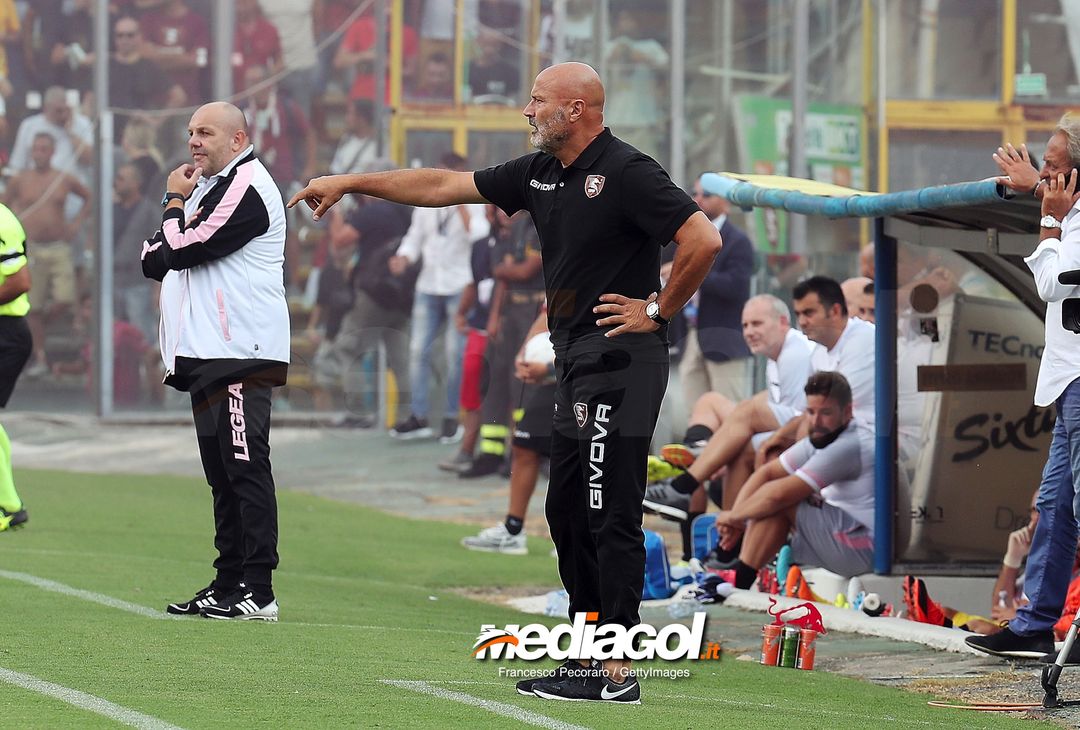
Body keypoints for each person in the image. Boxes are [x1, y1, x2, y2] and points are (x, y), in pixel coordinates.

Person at [289, 61, 721, 703]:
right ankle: (585, 660)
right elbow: (441, 184)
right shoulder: (539, 172)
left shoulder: (628, 171)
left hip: (622, 364)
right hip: (573, 358)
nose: (525, 110)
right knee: (568, 513)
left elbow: (702, 239)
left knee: (610, 514)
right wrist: (353, 181)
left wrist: (656, 309)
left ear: (576, 109)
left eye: (537, 100)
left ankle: (619, 674)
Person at [143, 101, 289, 621]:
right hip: (207, 352)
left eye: (205, 132)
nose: (194, 142)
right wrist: (178, 213)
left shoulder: (247, 186)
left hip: (241, 352)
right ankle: (228, 582)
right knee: (221, 471)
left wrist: (172, 202)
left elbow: (180, 248)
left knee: (246, 465)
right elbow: (150, 258)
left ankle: (259, 588)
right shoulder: (211, 187)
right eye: (190, 133)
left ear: (237, 138)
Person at [964, 115, 1080, 661]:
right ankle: (1035, 624)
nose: (1044, 176)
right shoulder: (1066, 205)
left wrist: (1048, 221)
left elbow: (1052, 282)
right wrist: (1038, 187)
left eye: (1054, 169)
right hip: (1065, 384)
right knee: (1054, 508)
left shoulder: (1065, 220)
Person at [643, 294, 815, 554]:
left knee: (743, 432)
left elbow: (798, 421)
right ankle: (698, 454)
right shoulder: (775, 358)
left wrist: (727, 448)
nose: (749, 332)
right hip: (783, 429)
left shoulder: (796, 353)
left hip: (802, 438)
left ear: (782, 322)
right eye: (745, 326)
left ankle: (689, 484)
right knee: (709, 401)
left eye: (757, 324)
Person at [715, 371, 876, 587]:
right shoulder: (825, 432)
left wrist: (733, 517)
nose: (816, 421)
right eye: (810, 412)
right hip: (847, 535)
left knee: (780, 502)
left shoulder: (849, 445)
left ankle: (738, 578)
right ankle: (739, 578)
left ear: (847, 412)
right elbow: (766, 473)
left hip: (866, 551)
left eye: (825, 412)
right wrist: (736, 518)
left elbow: (778, 496)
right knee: (767, 499)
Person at [388, 153, 489, 442]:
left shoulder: (473, 200)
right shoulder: (427, 203)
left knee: (454, 354)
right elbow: (415, 236)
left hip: (460, 283)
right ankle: (419, 416)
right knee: (418, 350)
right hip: (429, 283)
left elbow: (479, 235)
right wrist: (404, 258)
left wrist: (460, 204)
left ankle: (450, 417)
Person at [461, 309, 556, 553]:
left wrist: (550, 366)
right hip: (557, 377)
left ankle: (580, 536)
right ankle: (513, 530)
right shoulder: (563, 276)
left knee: (576, 455)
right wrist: (524, 352)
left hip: (589, 375)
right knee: (525, 445)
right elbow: (549, 311)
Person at [460, 210, 544, 478]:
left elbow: (529, 268)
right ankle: (491, 453)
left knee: (523, 382)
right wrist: (494, 317)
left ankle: (520, 450)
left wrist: (514, 267)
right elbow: (502, 276)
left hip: (536, 312)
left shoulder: (542, 225)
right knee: (496, 381)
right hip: (509, 313)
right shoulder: (508, 234)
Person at [4, 131, 91, 377]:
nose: (39, 153)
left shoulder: (62, 179)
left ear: (52, 152)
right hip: (32, 248)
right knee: (34, 305)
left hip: (59, 247)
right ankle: (40, 355)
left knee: (65, 298)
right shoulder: (21, 179)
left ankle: (38, 328)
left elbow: (88, 197)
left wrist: (76, 224)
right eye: (36, 148)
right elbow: (4, 205)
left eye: (44, 148)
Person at [674, 174, 755, 408]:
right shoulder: (685, 237)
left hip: (724, 340)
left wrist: (691, 273)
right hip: (691, 336)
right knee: (696, 416)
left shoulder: (738, 241)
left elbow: (736, 286)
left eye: (706, 194)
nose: (698, 199)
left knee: (729, 413)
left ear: (726, 201)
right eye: (695, 193)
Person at [0, 203, 32, 531]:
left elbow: (20, 281)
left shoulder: (2, 221)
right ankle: (9, 504)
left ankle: (8, 506)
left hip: (7, 333)